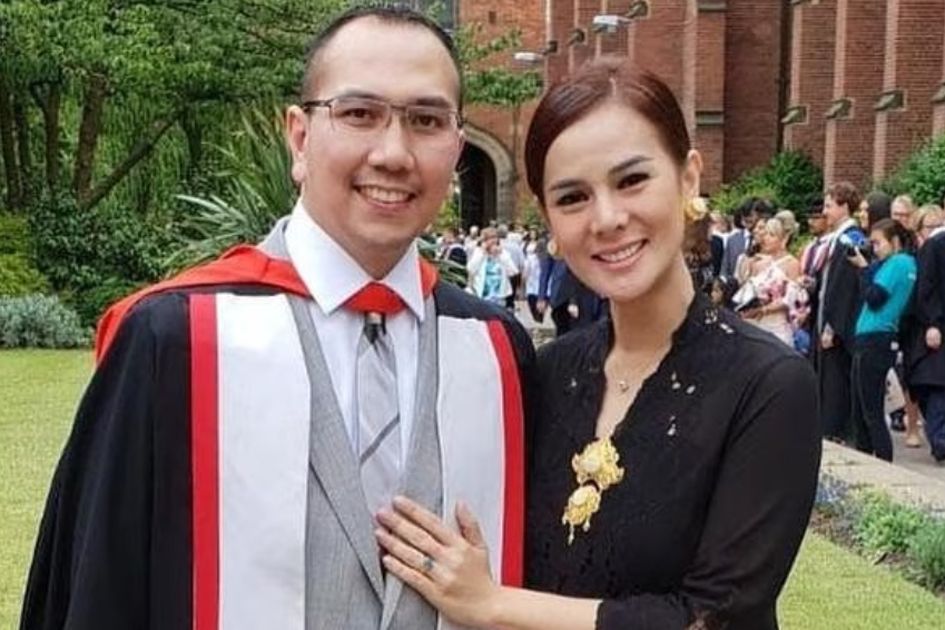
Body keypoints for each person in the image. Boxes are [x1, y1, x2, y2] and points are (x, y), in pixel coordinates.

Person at [20, 7, 533, 630]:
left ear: (457, 146)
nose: (394, 153)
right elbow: (99, 592)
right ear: (299, 137)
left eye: (426, 120)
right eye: (359, 113)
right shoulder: (176, 341)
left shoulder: (495, 350)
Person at [374, 60, 820, 629]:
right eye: (572, 198)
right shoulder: (545, 371)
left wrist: (493, 603)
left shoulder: (767, 384)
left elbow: (716, 617)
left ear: (688, 179)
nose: (606, 218)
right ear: (549, 221)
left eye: (631, 181)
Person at [847, 219, 918, 462]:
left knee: (870, 411)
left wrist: (863, 268)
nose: (874, 248)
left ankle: (881, 462)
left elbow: (875, 297)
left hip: (876, 337)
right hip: (874, 337)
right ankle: (866, 459)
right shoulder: (905, 263)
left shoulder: (898, 262)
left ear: (894, 241)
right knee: (861, 408)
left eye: (877, 243)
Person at [817, 181, 868, 443]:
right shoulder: (836, 238)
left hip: (840, 323)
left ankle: (837, 431)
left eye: (829, 206)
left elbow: (845, 285)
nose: (824, 211)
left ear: (844, 207)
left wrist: (832, 326)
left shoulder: (853, 237)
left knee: (837, 381)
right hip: (826, 314)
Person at [736, 212, 807, 347]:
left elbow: (790, 299)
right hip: (754, 323)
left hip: (776, 326)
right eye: (765, 234)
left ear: (783, 239)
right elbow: (746, 292)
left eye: (771, 235)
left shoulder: (792, 263)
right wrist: (749, 267)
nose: (766, 239)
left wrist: (763, 310)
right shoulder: (758, 262)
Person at [908, 214, 945, 462]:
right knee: (937, 385)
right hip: (939, 327)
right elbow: (926, 286)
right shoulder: (936, 245)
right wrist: (933, 322)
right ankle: (940, 440)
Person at [468, 226, 519, 307]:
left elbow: (513, 271)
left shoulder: (503, 253)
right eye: (489, 238)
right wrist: (482, 253)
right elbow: (471, 269)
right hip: (482, 295)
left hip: (499, 296)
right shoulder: (478, 252)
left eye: (495, 238)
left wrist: (501, 255)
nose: (492, 241)